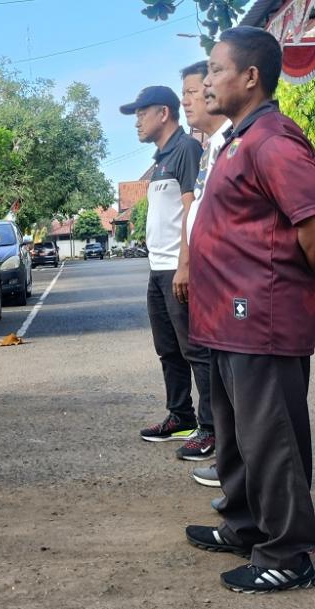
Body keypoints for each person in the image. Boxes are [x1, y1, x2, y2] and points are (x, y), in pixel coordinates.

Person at [184, 26, 315, 594]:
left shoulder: (273, 140)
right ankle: (245, 525)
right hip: (226, 323)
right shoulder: (240, 138)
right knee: (238, 436)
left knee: (273, 439)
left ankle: (291, 551)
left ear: (251, 77)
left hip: (259, 318)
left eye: (215, 69)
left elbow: (310, 224)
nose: (206, 80)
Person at [120, 86, 210, 458]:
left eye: (141, 114)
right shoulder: (160, 158)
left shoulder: (186, 149)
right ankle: (181, 416)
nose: (137, 122)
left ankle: (212, 427)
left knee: (195, 350)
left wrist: (185, 265)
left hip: (178, 267)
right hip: (157, 268)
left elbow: (193, 210)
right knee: (168, 348)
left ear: (163, 113)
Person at [180, 60, 234, 487]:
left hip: (241, 295)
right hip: (215, 287)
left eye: (196, 89)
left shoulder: (258, 141)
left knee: (256, 411)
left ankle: (283, 544)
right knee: (227, 393)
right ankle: (238, 494)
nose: (192, 98)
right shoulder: (215, 147)